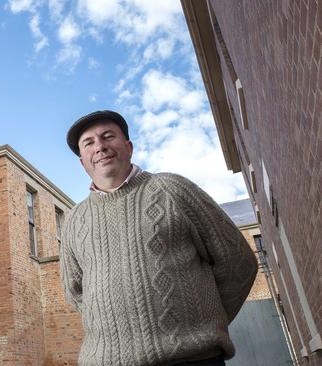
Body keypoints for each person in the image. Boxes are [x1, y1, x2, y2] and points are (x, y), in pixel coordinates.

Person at [60, 110, 258, 366]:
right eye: (89, 143)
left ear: (128, 147)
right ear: (82, 161)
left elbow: (238, 262)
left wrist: (207, 319)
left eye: (108, 137)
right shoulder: (74, 220)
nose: (100, 147)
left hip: (191, 358)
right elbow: (76, 293)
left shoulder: (173, 190)